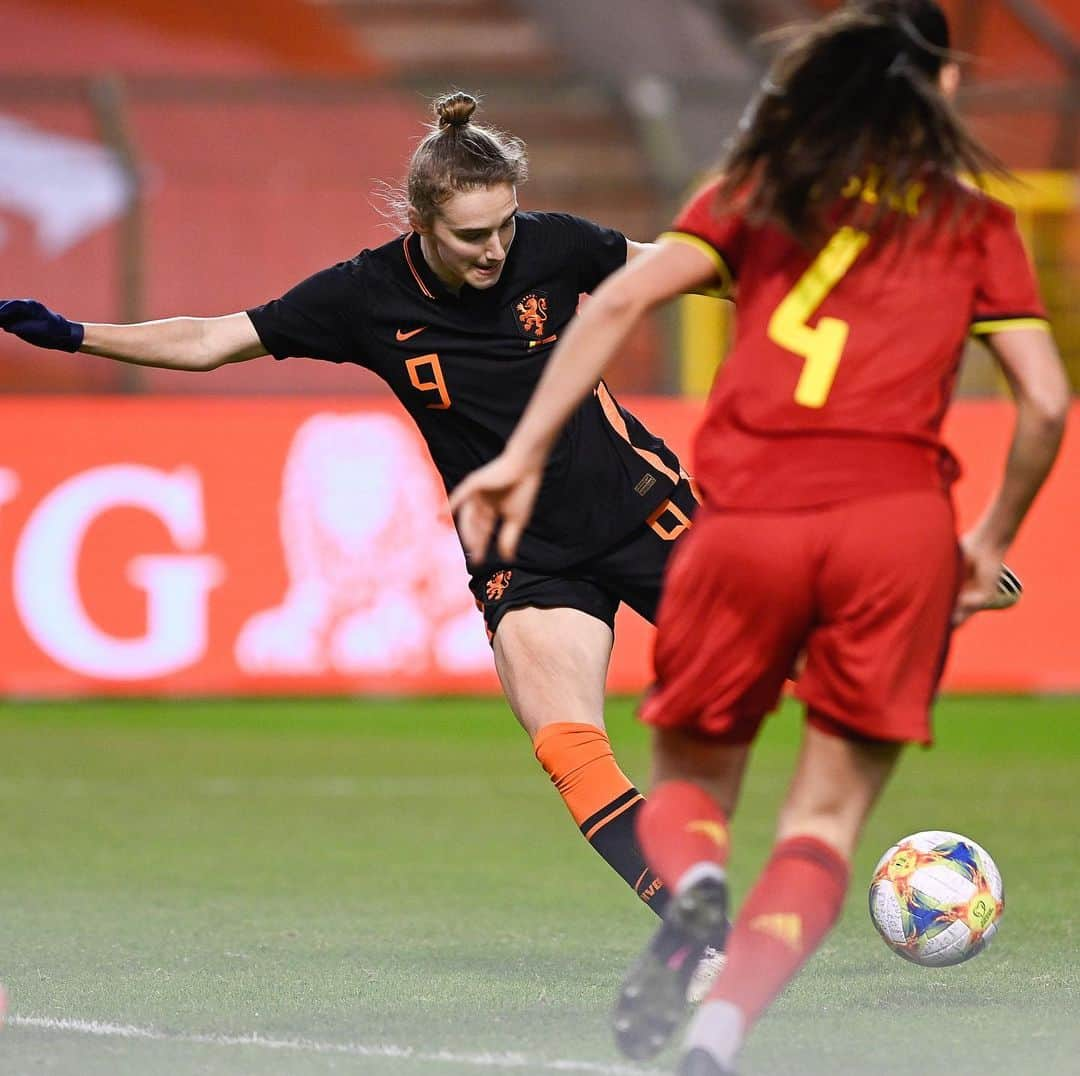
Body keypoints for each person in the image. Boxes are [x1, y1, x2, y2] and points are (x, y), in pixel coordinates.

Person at [447, 3, 1069, 1072]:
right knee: (822, 821)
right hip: (894, 532)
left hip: (747, 523)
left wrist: (516, 452)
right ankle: (724, 1033)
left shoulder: (755, 189)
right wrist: (986, 535)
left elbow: (613, 304)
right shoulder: (976, 221)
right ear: (948, 90)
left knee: (692, 776)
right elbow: (1048, 404)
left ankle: (691, 889)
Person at [0, 91, 727, 984]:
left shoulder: (558, 245)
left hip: (642, 510)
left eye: (503, 225)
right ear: (422, 222)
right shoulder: (364, 296)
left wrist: (800, 276)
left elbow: (678, 267)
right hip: (522, 555)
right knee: (568, 745)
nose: (496, 248)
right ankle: (696, 928)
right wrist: (75, 335)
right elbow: (212, 338)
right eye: (471, 235)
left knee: (809, 670)